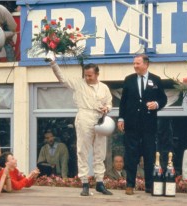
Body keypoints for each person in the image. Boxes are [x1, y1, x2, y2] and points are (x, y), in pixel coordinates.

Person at [47, 52, 113, 196]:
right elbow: (62, 78)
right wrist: (53, 63)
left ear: (97, 74)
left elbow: (109, 102)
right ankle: (84, 183)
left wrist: (106, 108)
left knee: (100, 151)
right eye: (85, 75)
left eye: (90, 75)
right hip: (84, 116)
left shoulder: (104, 87)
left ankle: (100, 183)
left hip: (100, 118)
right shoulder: (79, 83)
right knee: (82, 150)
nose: (87, 78)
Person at [117, 54, 167, 195]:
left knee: (149, 156)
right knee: (131, 155)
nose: (135, 66)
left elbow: (163, 99)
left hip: (148, 126)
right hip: (131, 125)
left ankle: (149, 186)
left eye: (137, 63)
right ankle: (130, 185)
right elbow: (123, 102)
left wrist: (156, 104)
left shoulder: (156, 80)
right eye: (134, 63)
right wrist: (121, 118)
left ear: (146, 64)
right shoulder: (129, 80)